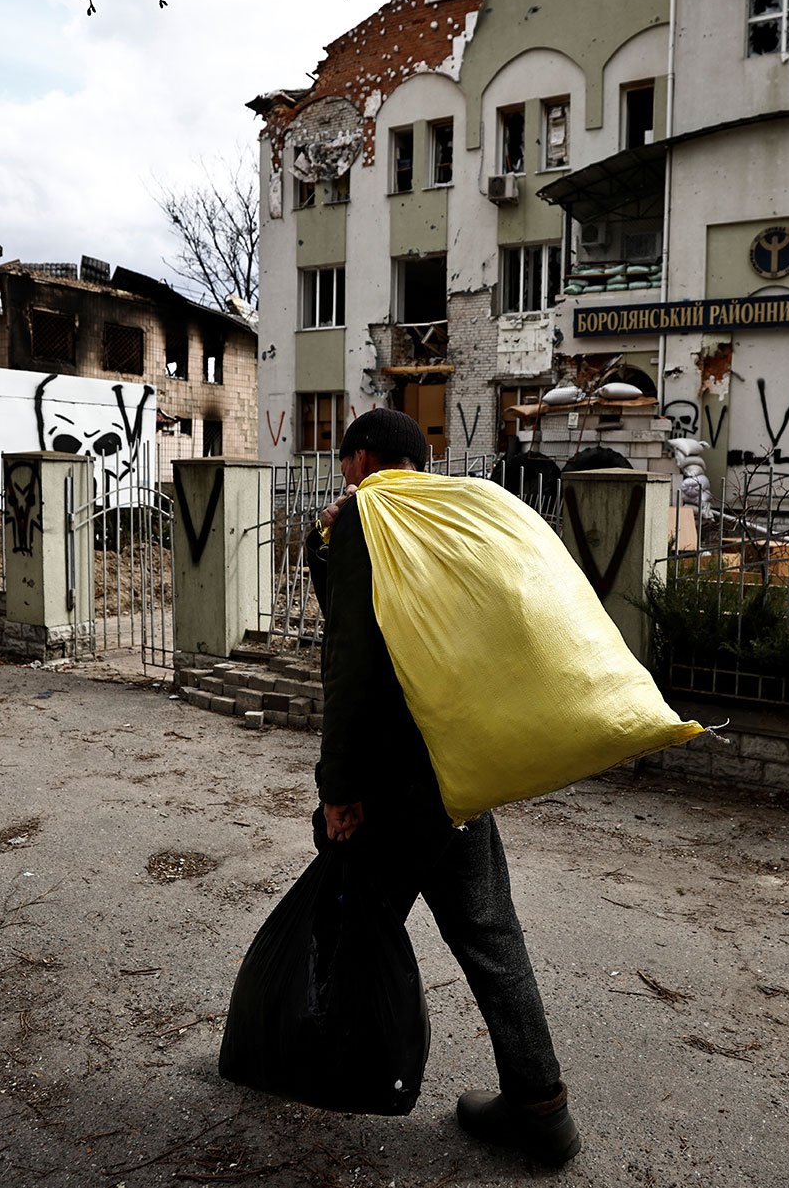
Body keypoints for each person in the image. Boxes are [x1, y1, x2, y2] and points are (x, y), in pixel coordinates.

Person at [303, 408, 581, 1166]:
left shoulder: (371, 514)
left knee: (342, 922)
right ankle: (541, 1103)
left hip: (388, 783)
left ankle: (317, 1061)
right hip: (456, 769)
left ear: (364, 458)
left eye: (344, 461)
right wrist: (321, 547)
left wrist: (339, 785)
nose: (341, 475)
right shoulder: (451, 516)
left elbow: (354, 658)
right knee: (493, 938)